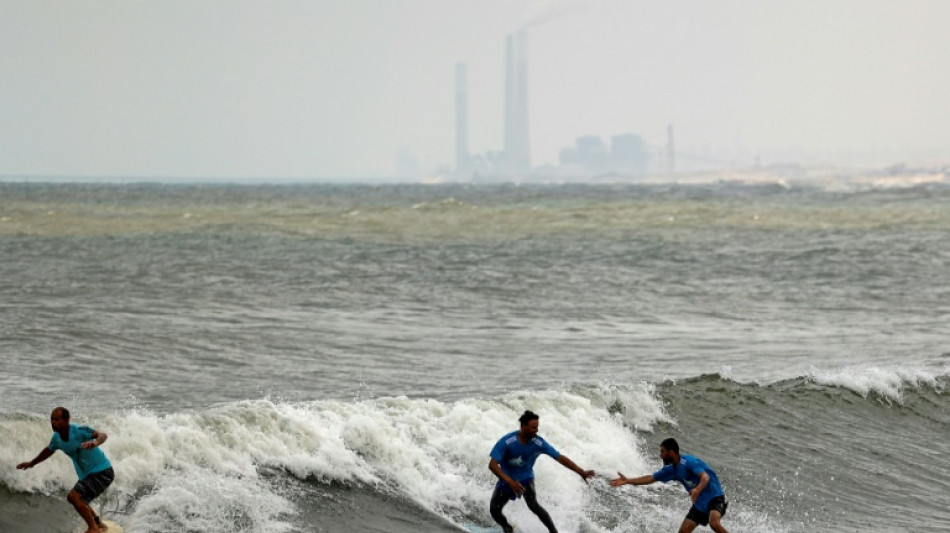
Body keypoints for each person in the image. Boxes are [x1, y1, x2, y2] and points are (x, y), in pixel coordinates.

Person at [488, 410, 595, 533]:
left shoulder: (538, 443)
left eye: (537, 427)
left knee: (533, 505)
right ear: (523, 426)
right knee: (494, 510)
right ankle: (507, 528)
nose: (537, 430)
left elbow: (560, 457)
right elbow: (492, 465)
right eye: (533, 427)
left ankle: (554, 532)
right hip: (507, 479)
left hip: (525, 478)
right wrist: (510, 481)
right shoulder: (507, 441)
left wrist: (581, 471)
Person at [17, 407, 115, 533]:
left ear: (66, 420)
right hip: (87, 475)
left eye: (57, 419)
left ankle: (93, 528)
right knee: (80, 498)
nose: (53, 422)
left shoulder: (79, 430)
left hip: (103, 471)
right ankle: (98, 524)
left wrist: (95, 443)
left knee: (74, 496)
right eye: (52, 419)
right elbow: (48, 451)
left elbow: (102, 435)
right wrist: (31, 463)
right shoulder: (56, 438)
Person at [610, 438, 730, 533]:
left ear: (671, 452)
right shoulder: (671, 469)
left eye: (662, 451)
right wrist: (628, 481)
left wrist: (697, 489)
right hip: (699, 504)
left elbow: (705, 477)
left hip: (715, 497)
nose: (660, 455)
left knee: (714, 523)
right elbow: (651, 478)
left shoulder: (689, 462)